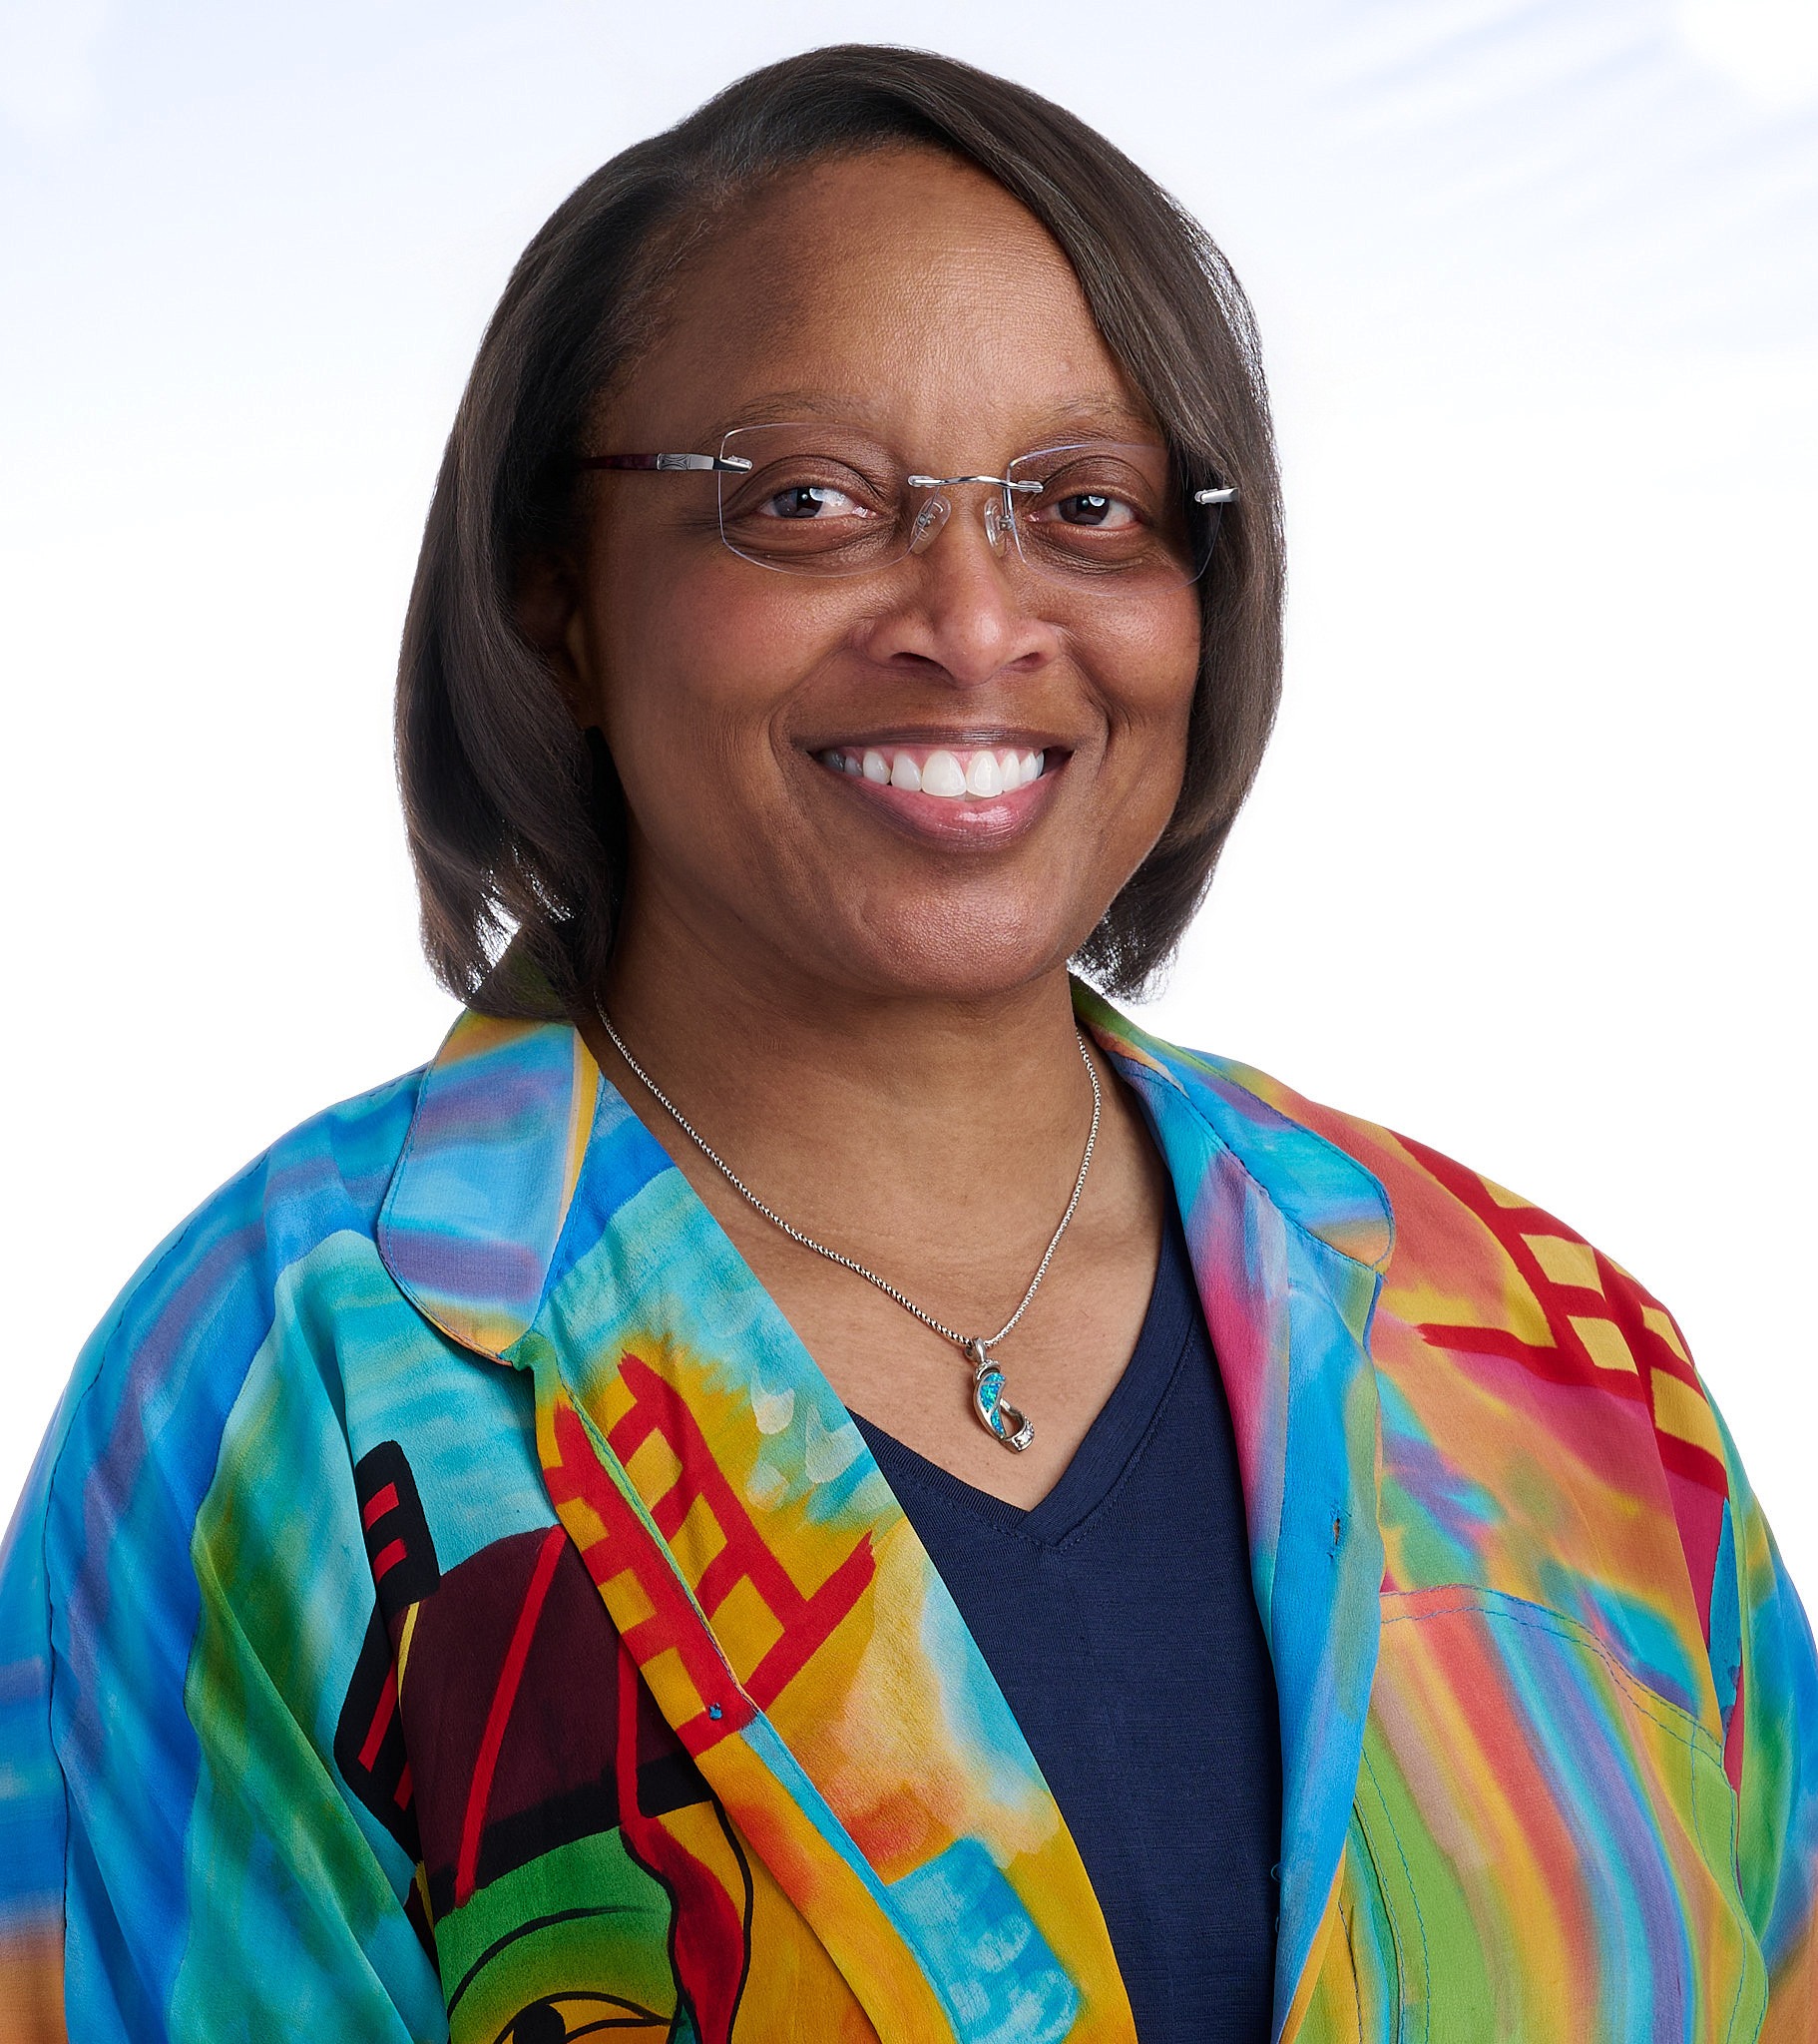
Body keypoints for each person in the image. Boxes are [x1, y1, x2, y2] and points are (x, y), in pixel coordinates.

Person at [1, 41, 1813, 2044]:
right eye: (806, 501)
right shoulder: (288, 1390)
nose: (970, 618)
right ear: (556, 595)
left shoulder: (1546, 1362)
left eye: (1087, 508)